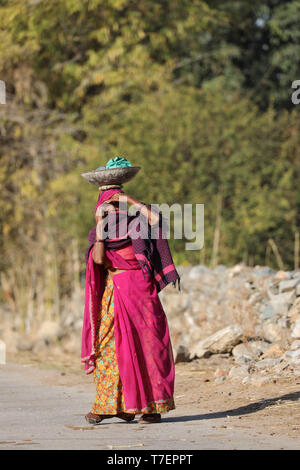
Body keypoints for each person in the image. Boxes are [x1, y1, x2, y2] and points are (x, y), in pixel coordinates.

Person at [81, 164, 180, 425]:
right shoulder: (98, 232)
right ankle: (110, 406)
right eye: (105, 205)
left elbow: (157, 219)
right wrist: (101, 228)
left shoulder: (137, 222)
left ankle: (151, 408)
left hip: (141, 291)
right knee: (108, 349)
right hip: (114, 293)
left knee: (149, 345)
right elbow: (100, 260)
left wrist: (128, 199)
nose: (111, 209)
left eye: (114, 204)